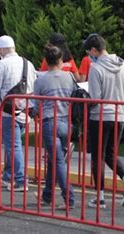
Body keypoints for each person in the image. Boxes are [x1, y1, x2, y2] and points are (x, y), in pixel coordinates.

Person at [83, 33, 124, 208]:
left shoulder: (95, 68)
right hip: (120, 114)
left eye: (88, 51)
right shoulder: (123, 66)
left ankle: (99, 197)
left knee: (97, 157)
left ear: (94, 50)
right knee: (110, 154)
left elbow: (95, 96)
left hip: (100, 116)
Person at [0, 35, 36, 192]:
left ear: (1, 49)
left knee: (13, 146)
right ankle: (8, 176)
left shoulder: (1, 64)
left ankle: (20, 180)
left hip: (8, 112)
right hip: (25, 110)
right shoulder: (28, 63)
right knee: (13, 145)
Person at [31, 44, 76, 210]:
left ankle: (69, 198)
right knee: (54, 161)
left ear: (46, 61)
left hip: (49, 122)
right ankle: (47, 196)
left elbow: (36, 105)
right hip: (66, 122)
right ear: (60, 60)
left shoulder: (40, 80)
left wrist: (31, 113)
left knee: (57, 162)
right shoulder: (69, 77)